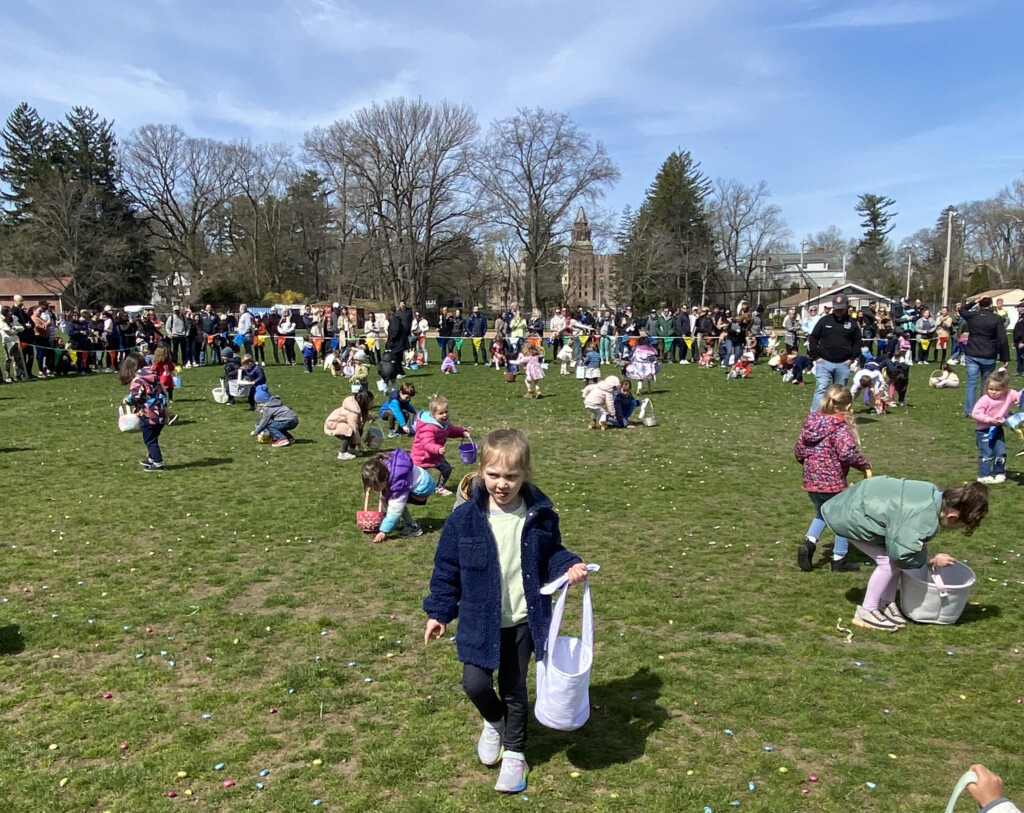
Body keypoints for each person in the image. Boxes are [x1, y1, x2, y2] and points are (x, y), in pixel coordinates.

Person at [423, 428, 587, 794]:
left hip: (523, 620)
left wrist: (568, 565)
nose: (502, 484)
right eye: (494, 475)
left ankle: (515, 753)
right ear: (481, 471)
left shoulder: (540, 516)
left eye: (511, 476)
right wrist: (439, 612)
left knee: (514, 688)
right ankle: (493, 721)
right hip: (480, 620)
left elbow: (552, 554)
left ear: (525, 475)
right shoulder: (464, 518)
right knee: (475, 683)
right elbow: (446, 569)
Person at [820, 476, 989, 631]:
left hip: (858, 505)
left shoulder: (933, 494)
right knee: (888, 562)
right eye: (959, 526)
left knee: (895, 560)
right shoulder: (923, 513)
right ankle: (867, 610)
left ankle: (886, 601)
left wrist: (923, 556)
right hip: (849, 514)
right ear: (953, 516)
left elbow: (907, 539)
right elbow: (901, 553)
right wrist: (931, 559)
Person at [794, 385, 872, 573]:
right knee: (842, 518)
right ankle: (839, 558)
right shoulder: (840, 428)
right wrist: (864, 465)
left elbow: (799, 450)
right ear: (848, 406)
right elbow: (846, 454)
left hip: (811, 480)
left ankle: (810, 543)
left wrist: (810, 466)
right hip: (833, 482)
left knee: (822, 512)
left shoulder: (811, 424)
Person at [362, 447, 434, 541]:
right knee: (384, 497)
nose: (374, 489)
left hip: (423, 488)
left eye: (375, 486)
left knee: (397, 504)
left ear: (385, 478)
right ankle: (397, 521)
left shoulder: (399, 483)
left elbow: (395, 509)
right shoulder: (383, 467)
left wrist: (384, 531)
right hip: (421, 479)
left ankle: (413, 527)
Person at [809, 294, 862, 411]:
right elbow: (812, 338)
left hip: (843, 363)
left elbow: (857, 342)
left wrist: (851, 359)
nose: (838, 310)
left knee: (840, 393)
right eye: (836, 307)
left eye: (841, 308)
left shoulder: (852, 323)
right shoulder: (824, 321)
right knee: (821, 389)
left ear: (847, 307)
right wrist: (816, 357)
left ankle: (838, 416)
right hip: (823, 362)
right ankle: (815, 416)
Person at [961, 297, 1010, 417]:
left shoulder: (973, 316)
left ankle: (969, 410)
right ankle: (984, 409)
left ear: (979, 305)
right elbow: (1002, 338)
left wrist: (973, 302)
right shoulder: (997, 318)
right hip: (989, 353)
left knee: (971, 383)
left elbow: (962, 310)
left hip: (972, 352)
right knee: (986, 384)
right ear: (991, 305)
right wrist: (1005, 357)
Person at [411, 394, 469, 496]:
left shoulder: (445, 424)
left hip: (436, 456)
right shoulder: (428, 427)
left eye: (446, 412)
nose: (444, 415)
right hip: (422, 456)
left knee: (447, 469)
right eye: (441, 413)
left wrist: (461, 432)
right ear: (433, 414)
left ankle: (439, 487)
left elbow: (451, 430)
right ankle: (413, 490)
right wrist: (437, 449)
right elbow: (426, 443)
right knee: (417, 476)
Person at [970, 369, 1021, 484]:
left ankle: (999, 472)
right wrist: (989, 419)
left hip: (998, 429)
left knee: (1000, 451)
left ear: (1005, 389)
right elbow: (975, 413)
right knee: (987, 452)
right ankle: (984, 475)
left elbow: (1019, 398)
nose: (993, 392)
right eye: (990, 389)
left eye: (997, 390)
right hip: (984, 430)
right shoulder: (985, 400)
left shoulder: (1009, 394)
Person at [120, 352, 168, 472]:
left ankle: (157, 463)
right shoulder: (153, 375)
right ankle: (152, 458)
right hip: (161, 411)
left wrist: (127, 400)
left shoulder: (138, 379)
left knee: (150, 440)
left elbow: (135, 396)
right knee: (154, 436)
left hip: (149, 413)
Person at [324, 389, 375, 460]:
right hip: (334, 424)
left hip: (343, 423)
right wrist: (360, 445)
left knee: (359, 430)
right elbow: (354, 428)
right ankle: (343, 452)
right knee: (348, 430)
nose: (372, 403)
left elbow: (362, 414)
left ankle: (351, 449)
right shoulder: (352, 413)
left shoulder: (358, 407)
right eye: (370, 402)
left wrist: (371, 417)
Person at [150, 346, 179, 424]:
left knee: (164, 392)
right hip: (166, 378)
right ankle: (167, 414)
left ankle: (166, 415)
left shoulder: (159, 363)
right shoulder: (166, 363)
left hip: (163, 379)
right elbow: (172, 369)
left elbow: (152, 370)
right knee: (168, 390)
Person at [1014, 303, 1024, 376]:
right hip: (1018, 340)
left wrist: (1023, 342)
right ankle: (1020, 370)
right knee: (1019, 356)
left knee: (1023, 356)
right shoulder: (1020, 317)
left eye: (1018, 307)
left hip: (1022, 340)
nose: (1017, 309)